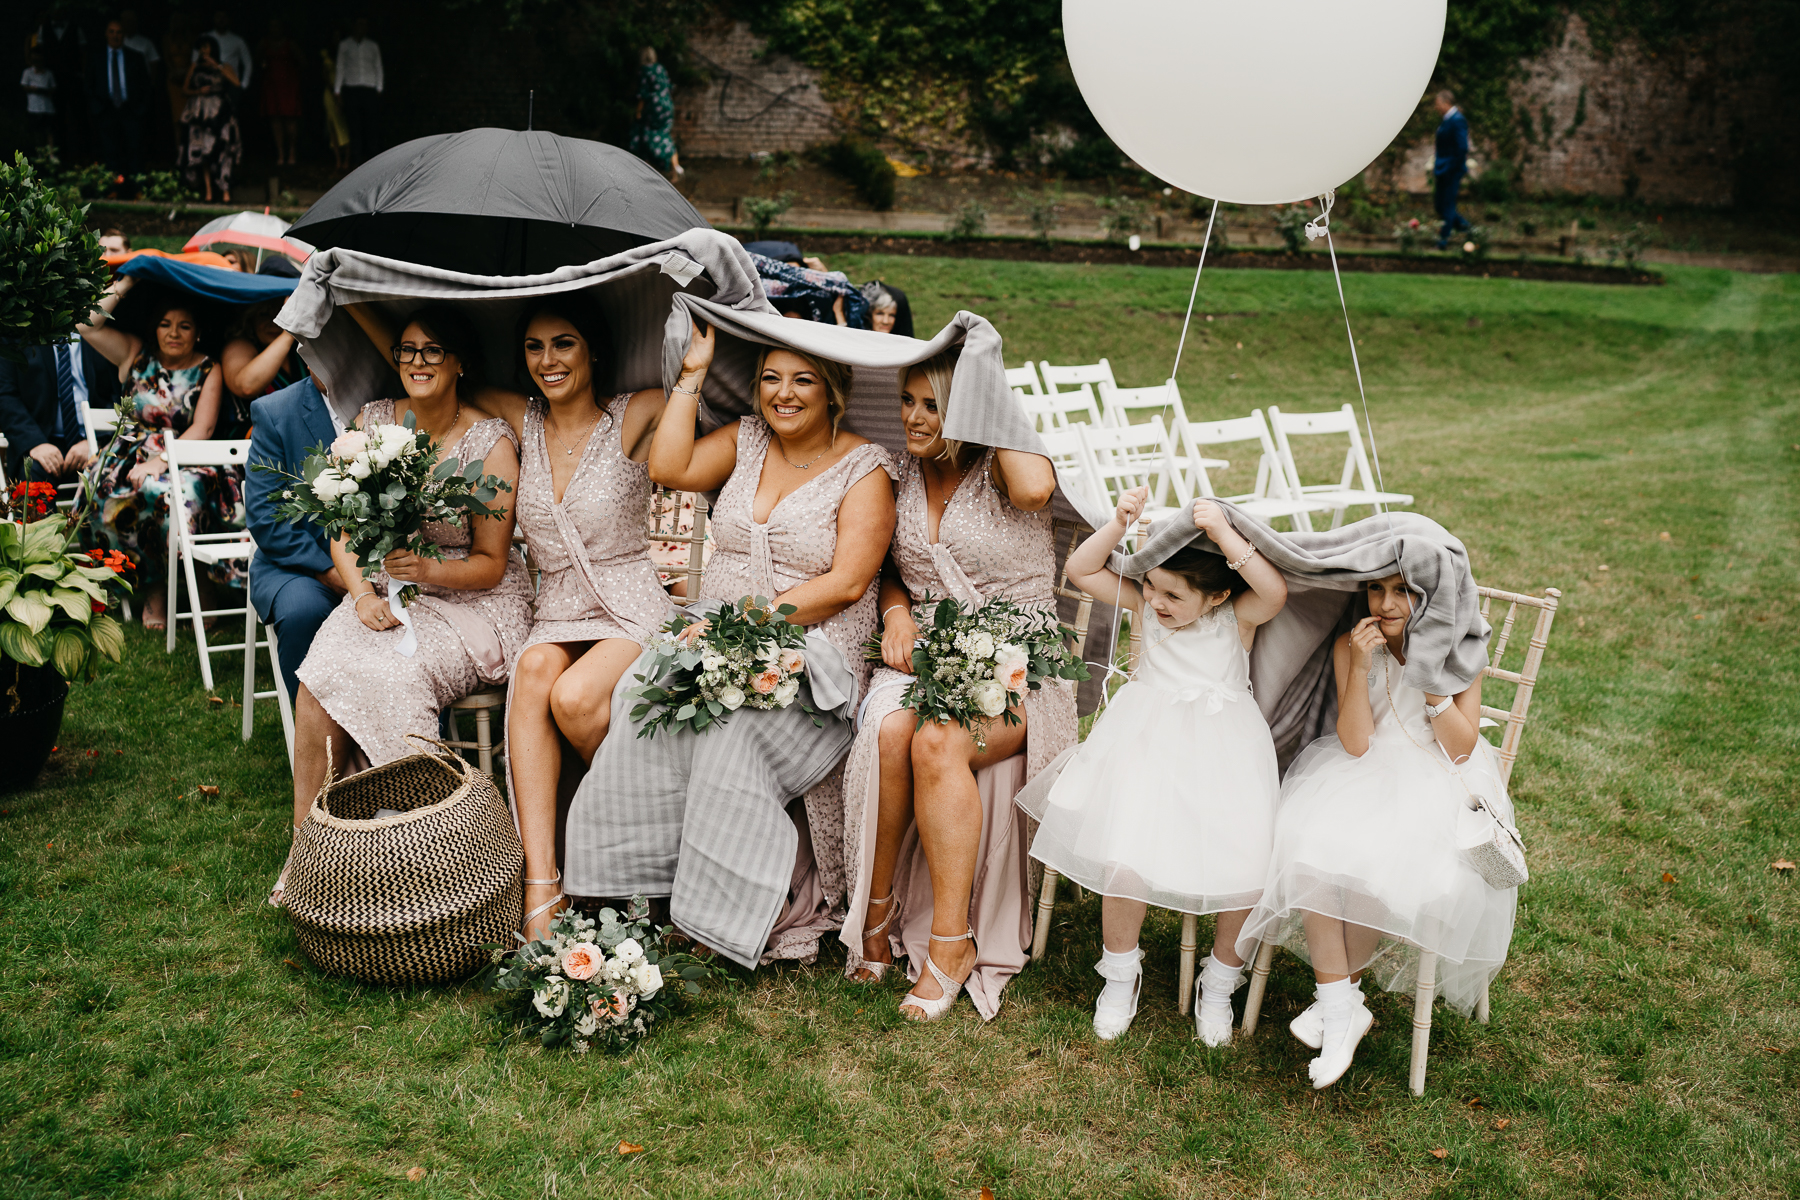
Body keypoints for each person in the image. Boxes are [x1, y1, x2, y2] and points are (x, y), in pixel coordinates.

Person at [563, 324, 896, 968]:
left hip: (812, 645)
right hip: (718, 629)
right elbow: (669, 467)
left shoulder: (866, 467)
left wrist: (751, 622)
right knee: (642, 700)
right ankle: (636, 892)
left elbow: (849, 582)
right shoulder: (746, 440)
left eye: (801, 381)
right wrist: (692, 374)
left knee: (730, 731)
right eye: (771, 379)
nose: (783, 394)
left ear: (832, 392)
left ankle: (718, 916)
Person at [431, 296, 675, 940]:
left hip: (631, 605)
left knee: (573, 696)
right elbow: (437, 369)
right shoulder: (519, 418)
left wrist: (698, 357)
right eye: (534, 347)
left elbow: (695, 389)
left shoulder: (638, 411)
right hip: (558, 606)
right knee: (535, 668)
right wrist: (358, 292)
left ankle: (640, 838)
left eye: (563, 343)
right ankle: (543, 882)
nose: (548, 360)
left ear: (593, 350)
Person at [274, 306, 533, 906]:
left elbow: (493, 563)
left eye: (434, 350)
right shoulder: (373, 422)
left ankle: (430, 857)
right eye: (408, 351)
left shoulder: (490, 443)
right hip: (385, 590)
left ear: (460, 363)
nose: (418, 362)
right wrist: (362, 594)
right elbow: (341, 528)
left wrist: (427, 569)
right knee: (318, 677)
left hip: (475, 599)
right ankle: (312, 855)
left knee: (394, 674)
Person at [838, 351, 1070, 1021]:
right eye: (908, 400)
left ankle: (952, 942)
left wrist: (986, 378)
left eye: (932, 405)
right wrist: (896, 612)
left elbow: (1034, 493)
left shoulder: (1007, 468)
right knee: (889, 731)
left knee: (938, 742)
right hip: (933, 655)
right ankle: (875, 916)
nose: (912, 416)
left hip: (1020, 664)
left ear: (972, 411)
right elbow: (888, 568)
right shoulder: (906, 471)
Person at [1022, 490, 1288, 1043]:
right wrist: (1119, 524)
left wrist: (1222, 535)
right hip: (1143, 743)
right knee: (1126, 856)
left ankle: (1219, 981)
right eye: (1151, 586)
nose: (1157, 602)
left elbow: (1274, 590)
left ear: (1215, 596)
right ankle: (1120, 975)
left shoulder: (1237, 618)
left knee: (1245, 869)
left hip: (1224, 751)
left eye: (1173, 594)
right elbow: (1080, 567)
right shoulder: (1146, 604)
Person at [1234, 571, 1514, 1087]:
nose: (1385, 604)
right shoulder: (1352, 645)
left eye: (1402, 592)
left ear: (1428, 597)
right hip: (1363, 770)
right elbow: (1357, 742)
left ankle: (1337, 1005)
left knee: (1377, 855)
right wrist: (1361, 664)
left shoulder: (1459, 653)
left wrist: (1434, 691)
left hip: (1437, 782)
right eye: (1375, 590)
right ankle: (1341, 1005)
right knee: (1310, 848)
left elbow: (1459, 749)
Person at [76, 273, 236, 630]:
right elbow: (87, 326)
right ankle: (154, 588)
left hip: (186, 452)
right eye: (165, 324)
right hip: (126, 454)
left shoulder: (210, 367)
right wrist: (128, 280)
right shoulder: (135, 355)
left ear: (197, 331)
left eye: (184, 326)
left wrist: (162, 460)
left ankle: (200, 582)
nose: (174, 333)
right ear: (155, 328)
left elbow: (204, 428)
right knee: (121, 490)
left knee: (176, 492)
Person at [245, 374, 346, 700]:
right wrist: (329, 572)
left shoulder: (393, 403)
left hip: (383, 562)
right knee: (304, 610)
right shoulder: (276, 411)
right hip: (299, 564)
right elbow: (266, 516)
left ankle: (409, 737)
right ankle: (319, 741)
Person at [0, 334, 117, 483]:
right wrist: (35, 443)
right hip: (42, 439)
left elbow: (123, 389)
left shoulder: (103, 329)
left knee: (114, 478)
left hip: (99, 441)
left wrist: (96, 440)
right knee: (31, 481)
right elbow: (5, 395)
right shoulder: (16, 330)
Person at [86, 19, 150, 189]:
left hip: (131, 110)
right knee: (110, 152)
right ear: (106, 34)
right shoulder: (96, 57)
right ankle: (113, 189)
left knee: (134, 151)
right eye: (112, 31)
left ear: (124, 35)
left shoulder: (135, 57)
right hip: (106, 109)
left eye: (119, 32)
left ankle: (137, 190)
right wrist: (96, 108)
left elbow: (145, 86)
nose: (115, 35)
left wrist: (140, 110)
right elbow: (89, 84)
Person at [180, 34, 240, 203]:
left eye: (207, 47)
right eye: (201, 48)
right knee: (203, 151)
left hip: (220, 111)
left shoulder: (224, 66)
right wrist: (198, 92)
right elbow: (184, 89)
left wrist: (218, 66)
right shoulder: (195, 67)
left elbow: (237, 83)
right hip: (200, 113)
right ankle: (208, 191)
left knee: (223, 150)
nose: (204, 51)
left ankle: (225, 189)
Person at [334, 19, 383, 166]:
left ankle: (374, 161)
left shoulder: (372, 46)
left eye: (364, 24)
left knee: (371, 127)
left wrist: (379, 88)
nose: (361, 27)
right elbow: (340, 67)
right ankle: (356, 163)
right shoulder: (345, 45)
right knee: (354, 127)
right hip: (352, 88)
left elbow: (378, 66)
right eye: (358, 24)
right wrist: (337, 90)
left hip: (369, 88)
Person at [628, 46, 681, 179]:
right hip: (667, 105)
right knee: (664, 134)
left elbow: (643, 94)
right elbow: (669, 87)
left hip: (654, 107)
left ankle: (645, 170)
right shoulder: (660, 68)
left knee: (646, 135)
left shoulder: (645, 70)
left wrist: (638, 112)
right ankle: (676, 167)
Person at [257, 19, 302, 168]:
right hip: (272, 85)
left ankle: (292, 152)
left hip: (288, 85)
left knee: (290, 119)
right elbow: (256, 60)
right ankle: (281, 154)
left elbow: (303, 61)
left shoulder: (290, 43)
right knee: (275, 120)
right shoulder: (264, 43)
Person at [1432, 89, 1470, 250]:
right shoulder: (1447, 120)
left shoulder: (1457, 120)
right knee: (1439, 204)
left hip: (1451, 171)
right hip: (1443, 169)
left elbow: (1462, 148)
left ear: (1446, 103)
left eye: (1438, 104)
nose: (1436, 107)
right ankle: (1466, 227)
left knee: (1447, 205)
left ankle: (1443, 242)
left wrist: (1450, 168)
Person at [195, 10, 252, 90]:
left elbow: (248, 63)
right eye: (218, 17)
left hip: (231, 83)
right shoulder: (205, 38)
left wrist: (244, 84)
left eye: (224, 17)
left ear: (229, 19)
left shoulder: (238, 41)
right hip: (208, 83)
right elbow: (195, 59)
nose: (221, 20)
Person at [319, 30, 351, 172]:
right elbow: (324, 75)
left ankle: (347, 160)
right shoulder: (326, 54)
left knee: (345, 126)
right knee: (333, 126)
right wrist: (334, 93)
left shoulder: (346, 53)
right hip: (330, 93)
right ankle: (338, 160)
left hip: (345, 92)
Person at [21, 49, 57, 149]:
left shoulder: (48, 73)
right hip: (34, 108)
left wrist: (45, 91)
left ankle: (50, 155)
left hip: (48, 107)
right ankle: (39, 155)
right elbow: (24, 87)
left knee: (49, 131)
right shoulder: (28, 72)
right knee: (37, 132)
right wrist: (33, 89)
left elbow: (53, 88)